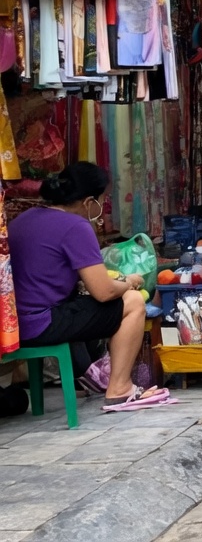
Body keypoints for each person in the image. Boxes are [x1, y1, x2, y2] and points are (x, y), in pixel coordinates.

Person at [9, 162, 164, 411]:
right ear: (89, 201)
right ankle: (120, 388)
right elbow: (103, 292)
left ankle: (97, 379)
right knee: (133, 302)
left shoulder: (23, 219)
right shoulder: (76, 226)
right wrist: (128, 282)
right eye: (101, 200)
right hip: (42, 323)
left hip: (13, 325)